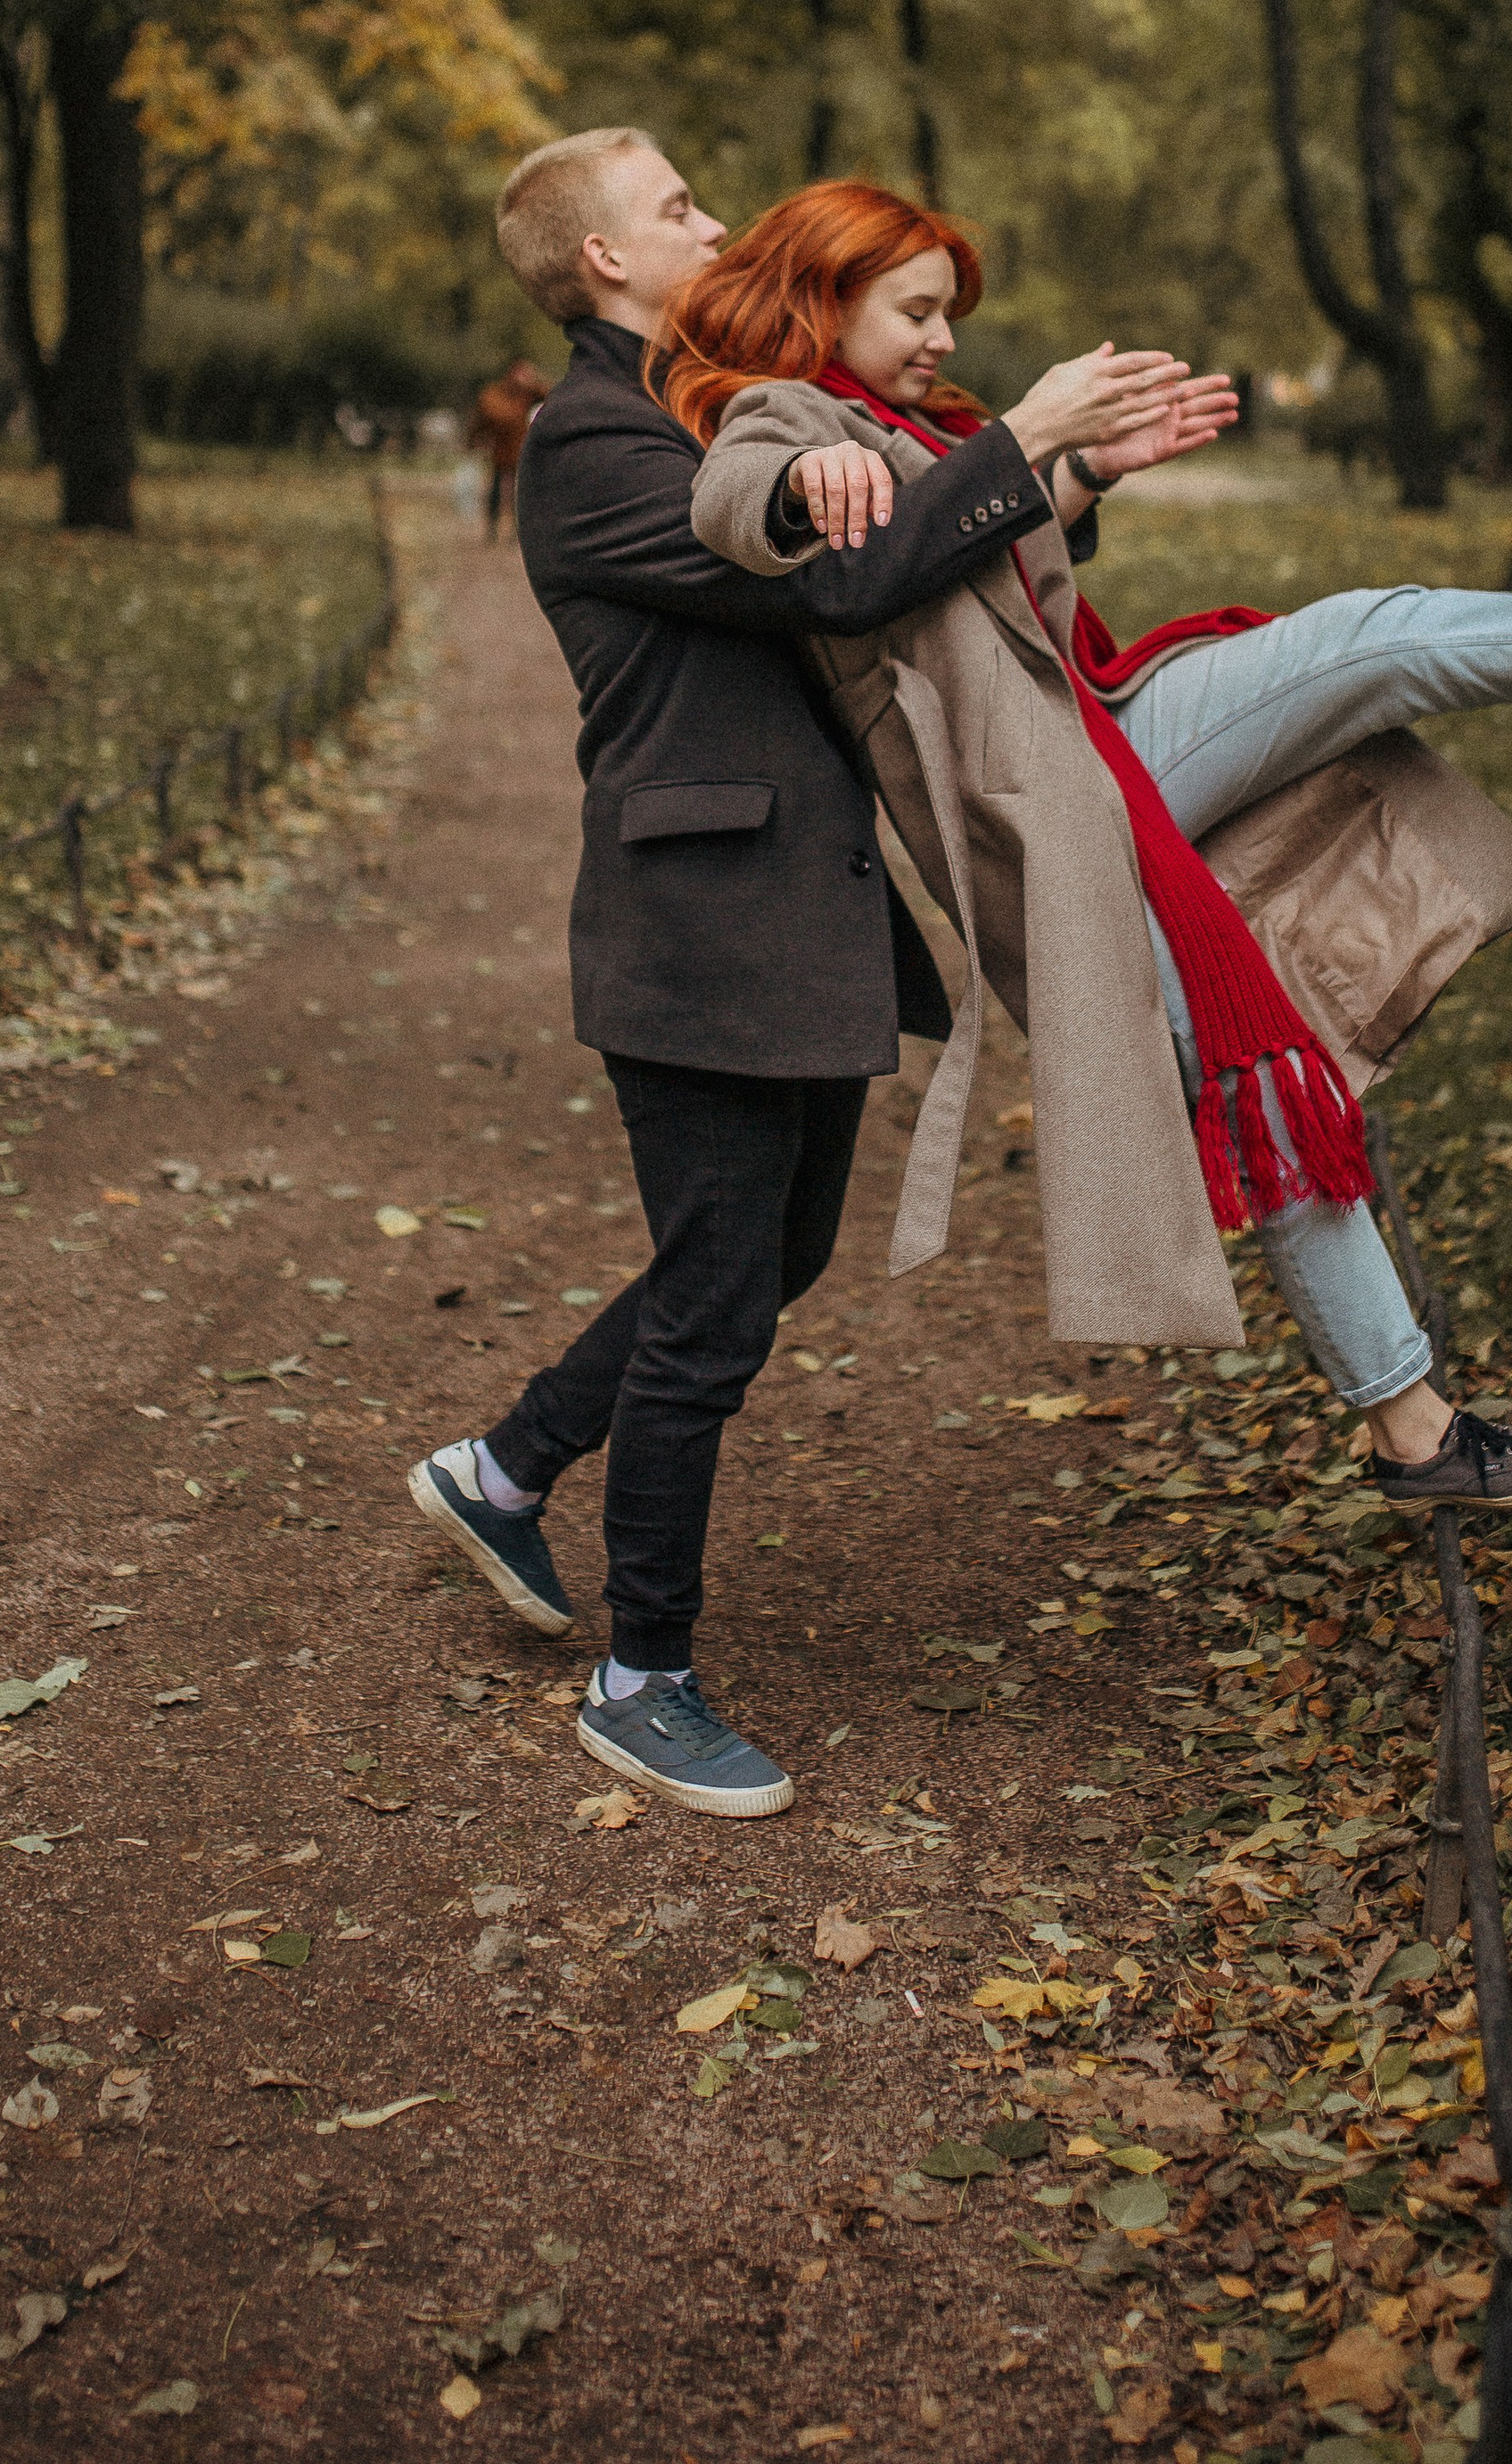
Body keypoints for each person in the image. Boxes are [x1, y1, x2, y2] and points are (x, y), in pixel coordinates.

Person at [678, 180, 1512, 1515]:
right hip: (1057, 800)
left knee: (1263, 1066)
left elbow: (963, 565)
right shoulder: (791, 418)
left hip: (1093, 758)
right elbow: (779, 530)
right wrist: (948, 455)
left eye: (950, 312)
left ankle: (1411, 1428)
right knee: (1370, 637)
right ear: (822, 291)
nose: (943, 336)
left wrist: (1076, 474)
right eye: (919, 308)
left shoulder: (899, 422)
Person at [405, 128, 1205, 1818]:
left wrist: (1072, 478)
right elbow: (847, 582)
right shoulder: (593, 442)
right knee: (716, 1296)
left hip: (805, 907)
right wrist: (1021, 439)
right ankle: (647, 1675)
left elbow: (915, 573)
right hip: (697, 925)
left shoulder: (713, 399)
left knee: (774, 1254)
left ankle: (507, 1463)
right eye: (680, 205)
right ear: (605, 262)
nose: (717, 218)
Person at [467, 357, 549, 540]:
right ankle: (492, 528)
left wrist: (534, 382)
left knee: (518, 491)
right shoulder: (495, 394)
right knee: (497, 490)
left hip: (520, 448)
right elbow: (486, 415)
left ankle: (515, 529)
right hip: (502, 449)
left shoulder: (529, 392)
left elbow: (549, 394)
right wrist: (475, 440)